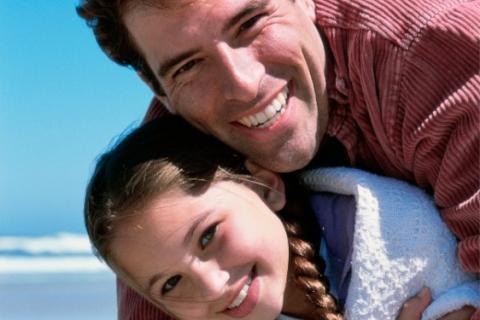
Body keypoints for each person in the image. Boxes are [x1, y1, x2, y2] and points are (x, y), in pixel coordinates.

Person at [76, 0, 479, 318]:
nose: (244, 84)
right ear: (157, 85)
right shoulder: (170, 165)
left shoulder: (430, 57)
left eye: (249, 22)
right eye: (188, 65)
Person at [85, 117, 478, 320]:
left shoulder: (402, 235)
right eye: (171, 283)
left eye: (207, 236)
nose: (211, 286)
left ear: (265, 187)